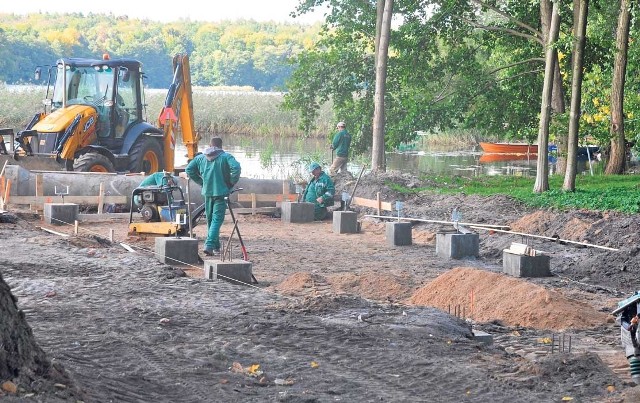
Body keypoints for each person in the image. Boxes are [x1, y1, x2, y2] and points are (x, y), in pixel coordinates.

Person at [186, 137, 241, 256]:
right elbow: (236, 167)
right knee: (217, 220)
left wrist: (201, 182)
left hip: (207, 193)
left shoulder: (200, 158)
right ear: (221, 146)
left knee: (210, 220)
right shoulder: (226, 157)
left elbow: (189, 169)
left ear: (210, 145)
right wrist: (231, 182)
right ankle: (209, 244)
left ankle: (215, 247)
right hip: (221, 193)